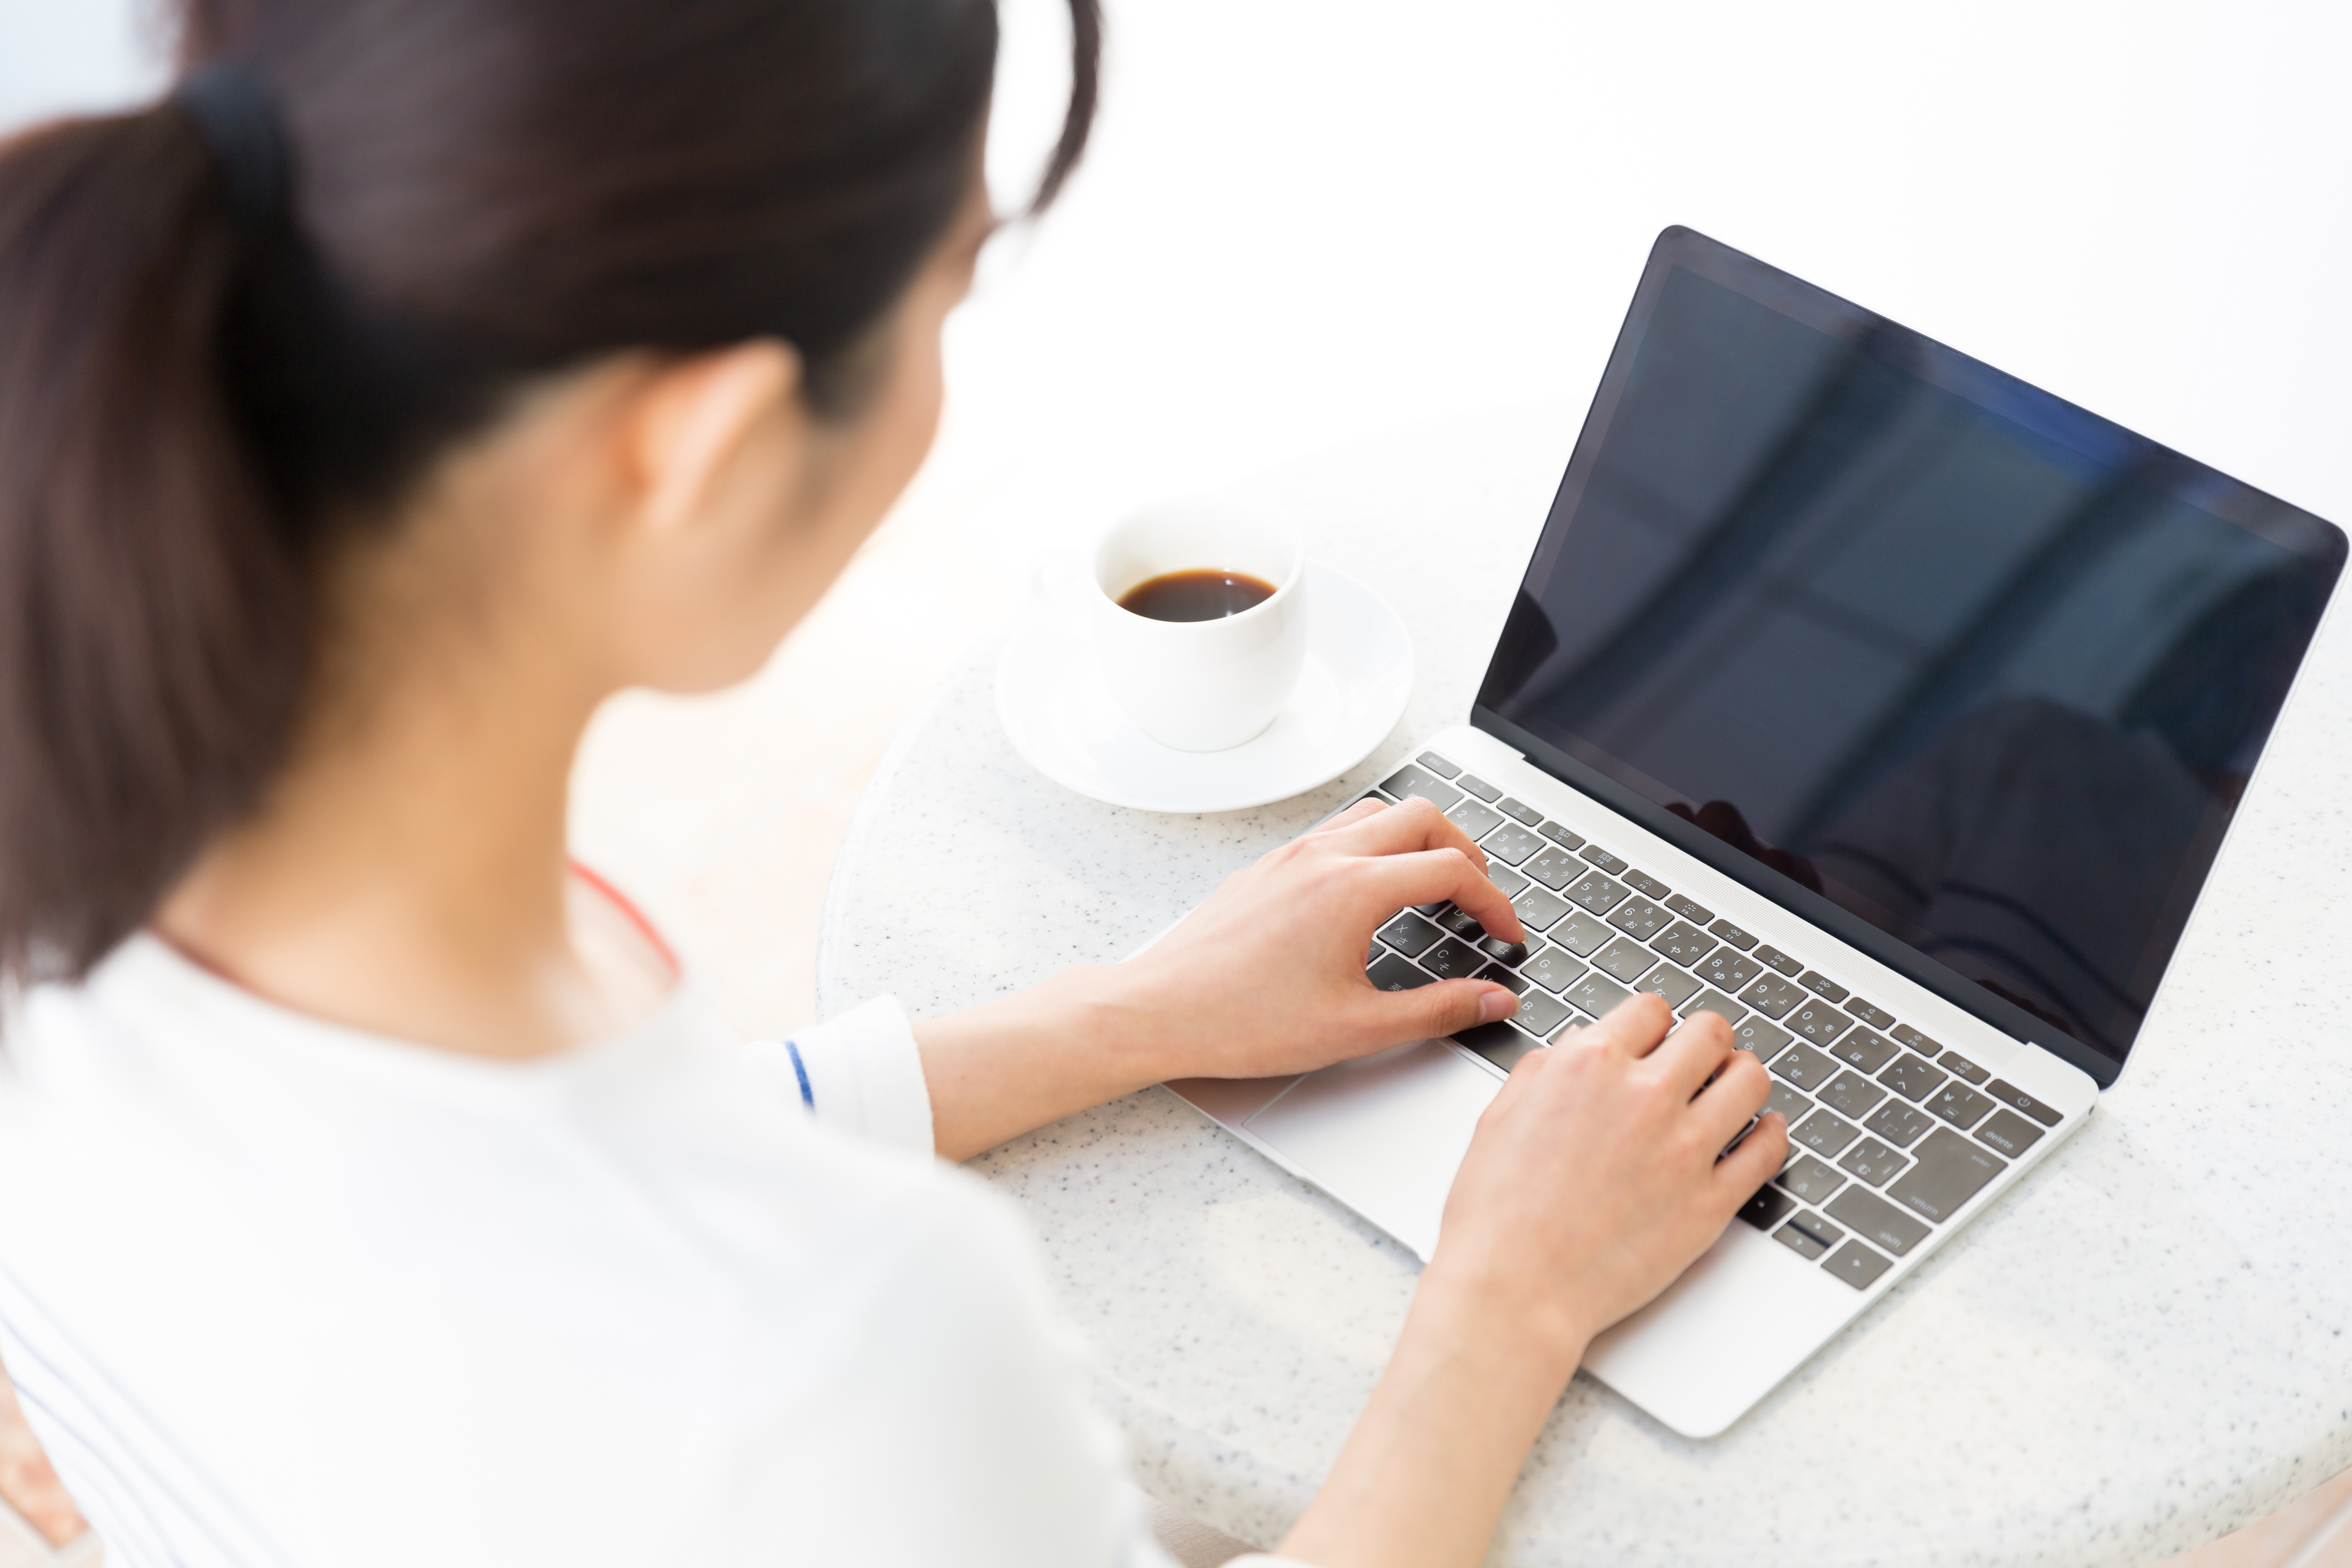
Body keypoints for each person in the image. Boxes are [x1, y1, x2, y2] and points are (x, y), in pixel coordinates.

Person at [0, 2, 1788, 1564]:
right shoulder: (834, 1346)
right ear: (697, 449)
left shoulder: (66, 907)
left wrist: (1127, 1013)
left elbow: (517, 1210)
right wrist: (1511, 1292)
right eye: (949, 287)